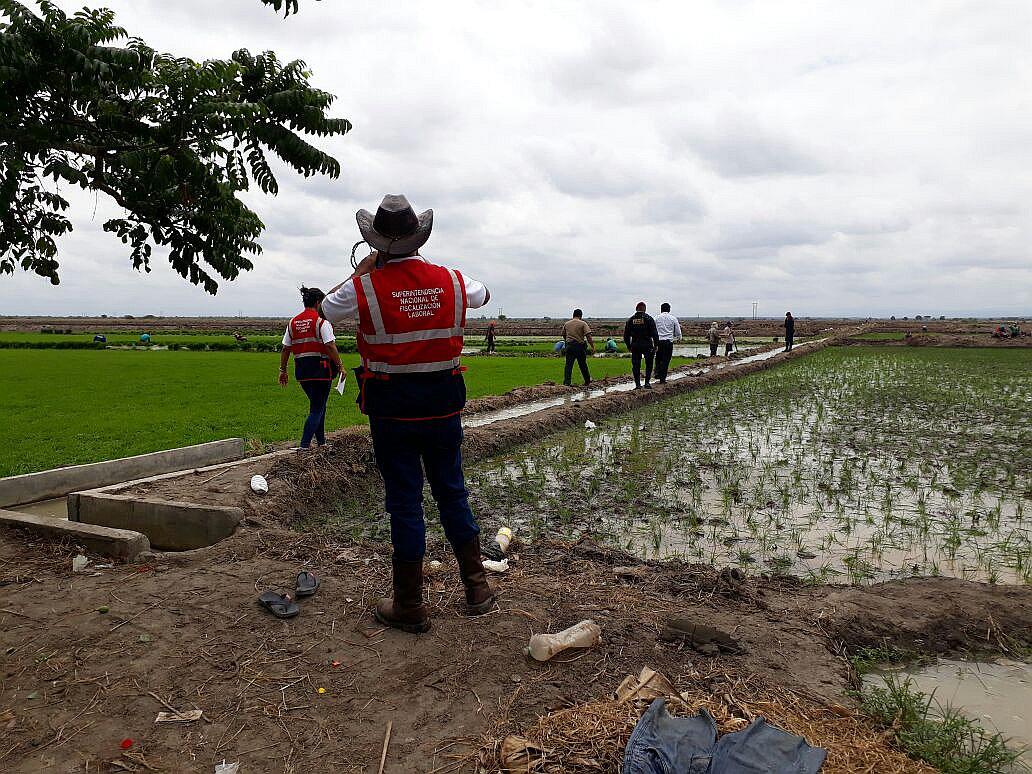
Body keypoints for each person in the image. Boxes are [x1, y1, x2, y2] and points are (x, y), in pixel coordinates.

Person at [320, 194, 494, 634]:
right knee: (452, 492)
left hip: (392, 412)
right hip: (443, 408)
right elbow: (484, 294)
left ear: (376, 241)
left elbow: (325, 310)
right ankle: (477, 589)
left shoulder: (364, 286)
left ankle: (410, 604)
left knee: (404, 501)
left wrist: (363, 269)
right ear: (419, 236)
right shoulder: (451, 280)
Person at [279, 287, 343, 449]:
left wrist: (283, 370)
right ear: (318, 302)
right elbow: (330, 345)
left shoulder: (292, 323)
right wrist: (340, 366)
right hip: (321, 371)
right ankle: (304, 446)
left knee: (318, 406)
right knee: (317, 409)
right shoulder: (322, 322)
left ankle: (321, 443)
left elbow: (286, 348)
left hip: (302, 372)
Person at [624, 302, 660, 389]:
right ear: (644, 309)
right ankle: (647, 383)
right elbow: (655, 334)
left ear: (636, 308)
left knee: (636, 365)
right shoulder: (649, 319)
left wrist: (629, 346)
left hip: (635, 345)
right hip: (647, 344)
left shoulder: (630, 320)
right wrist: (656, 345)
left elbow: (626, 335)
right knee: (649, 364)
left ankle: (638, 385)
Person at [561, 308, 594, 386]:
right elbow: (588, 336)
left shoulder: (567, 324)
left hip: (569, 346)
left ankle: (567, 383)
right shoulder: (583, 323)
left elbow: (563, 334)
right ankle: (587, 381)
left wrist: (567, 341)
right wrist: (592, 346)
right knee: (583, 365)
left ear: (573, 315)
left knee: (568, 366)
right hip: (579, 346)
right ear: (581, 316)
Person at [653, 302, 682, 384]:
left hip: (658, 342)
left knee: (658, 358)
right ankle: (662, 379)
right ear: (669, 309)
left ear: (661, 309)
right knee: (666, 360)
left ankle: (657, 372)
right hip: (668, 342)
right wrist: (678, 338)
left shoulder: (656, 318)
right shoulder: (673, 318)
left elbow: (653, 330)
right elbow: (678, 332)